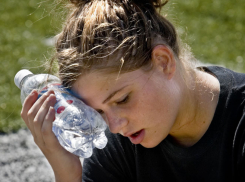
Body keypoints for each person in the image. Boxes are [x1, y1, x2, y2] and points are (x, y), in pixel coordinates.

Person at [20, 0, 245, 181]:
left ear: (163, 62)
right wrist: (68, 175)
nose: (115, 126)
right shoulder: (118, 142)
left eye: (122, 99)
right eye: (98, 111)